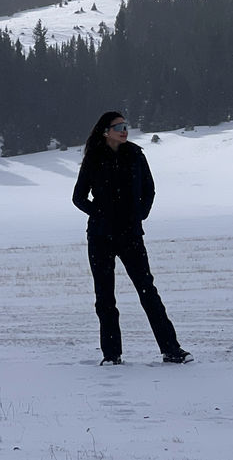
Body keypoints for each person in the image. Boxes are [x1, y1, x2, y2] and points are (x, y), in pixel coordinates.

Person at [73, 111, 192, 365]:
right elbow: (79, 197)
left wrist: (139, 215)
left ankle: (171, 350)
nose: (125, 130)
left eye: (126, 126)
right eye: (119, 127)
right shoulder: (94, 158)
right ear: (106, 131)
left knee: (148, 291)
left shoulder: (136, 155)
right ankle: (112, 355)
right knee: (105, 297)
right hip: (100, 236)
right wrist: (101, 213)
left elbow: (149, 189)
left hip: (130, 234)